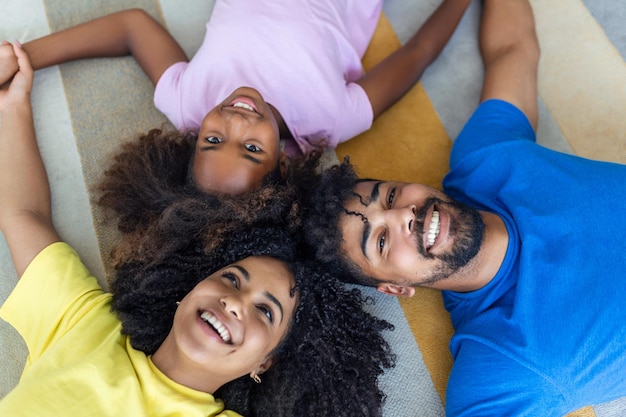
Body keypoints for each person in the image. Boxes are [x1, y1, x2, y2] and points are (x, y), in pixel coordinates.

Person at [0, 42, 395, 416]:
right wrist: (11, 103)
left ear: (266, 362)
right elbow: (23, 213)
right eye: (231, 279)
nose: (235, 303)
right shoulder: (85, 327)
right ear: (188, 289)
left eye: (265, 311)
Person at [298, 0, 626, 415]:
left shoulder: (483, 161)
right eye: (381, 241)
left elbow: (513, 50)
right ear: (396, 288)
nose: (404, 217)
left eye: (393, 196)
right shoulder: (501, 365)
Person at [0, 0, 470, 195]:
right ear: (281, 164)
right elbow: (419, 53)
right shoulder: (330, 120)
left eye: (211, 140)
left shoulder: (189, 103)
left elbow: (132, 26)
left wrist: (23, 60)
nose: (235, 121)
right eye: (251, 148)